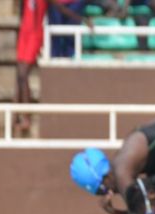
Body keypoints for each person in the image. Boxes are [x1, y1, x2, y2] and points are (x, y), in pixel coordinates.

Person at [15, 0, 91, 134]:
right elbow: (23, 11)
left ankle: (27, 117)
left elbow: (60, 7)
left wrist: (81, 19)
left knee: (24, 73)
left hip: (35, 34)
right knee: (19, 76)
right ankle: (15, 116)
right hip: (24, 33)